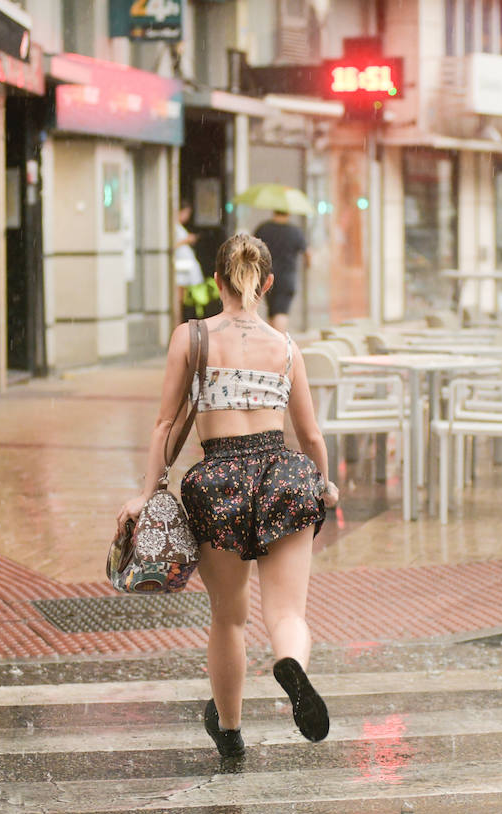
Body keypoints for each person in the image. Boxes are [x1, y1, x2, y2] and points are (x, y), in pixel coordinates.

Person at [116, 232, 339, 758]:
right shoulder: (285, 347)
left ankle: (231, 730)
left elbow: (164, 424)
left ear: (216, 280)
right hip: (283, 476)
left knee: (229, 617)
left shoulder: (190, 337)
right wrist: (323, 485)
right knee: (287, 615)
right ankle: (291, 665)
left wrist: (147, 495)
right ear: (266, 284)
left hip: (217, 482)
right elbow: (310, 437)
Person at [253, 210, 310, 334]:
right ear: (288, 213)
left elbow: (253, 249)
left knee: (272, 311)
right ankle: (279, 343)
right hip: (287, 277)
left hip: (266, 276)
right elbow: (307, 254)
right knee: (281, 311)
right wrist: (308, 264)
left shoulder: (263, 228)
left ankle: (272, 340)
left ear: (274, 211)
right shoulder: (295, 232)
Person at [174, 201, 204, 325]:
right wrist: (187, 240)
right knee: (179, 297)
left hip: (185, 265)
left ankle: (180, 320)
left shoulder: (179, 227)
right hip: (181, 266)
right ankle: (177, 321)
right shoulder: (174, 227)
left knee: (183, 297)